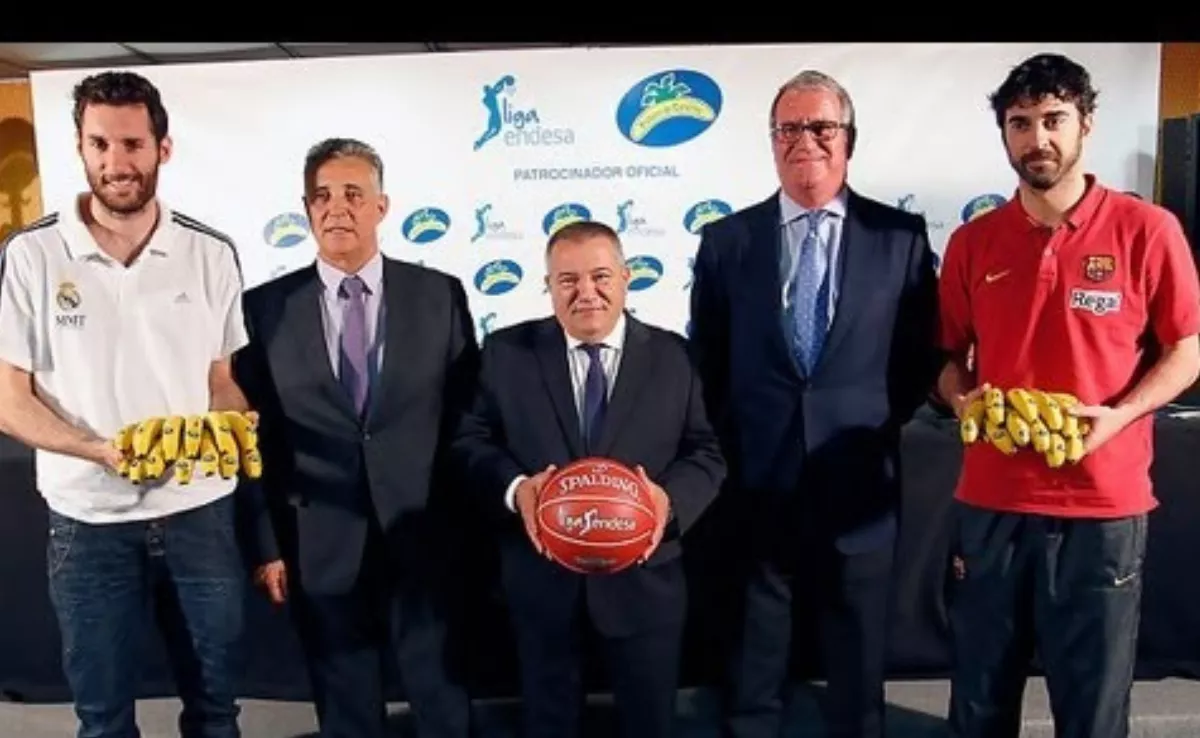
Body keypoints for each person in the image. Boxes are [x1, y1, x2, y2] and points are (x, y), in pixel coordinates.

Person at [937, 53, 1200, 738]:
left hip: (1102, 505)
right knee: (977, 706)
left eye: (1053, 119)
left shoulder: (1149, 231)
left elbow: (1186, 351)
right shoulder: (973, 242)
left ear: (1086, 123)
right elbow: (945, 360)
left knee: (1091, 712)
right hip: (991, 503)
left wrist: (1121, 416)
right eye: (1019, 124)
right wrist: (963, 400)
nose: (1037, 139)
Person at [688, 69, 941, 738]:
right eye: (789, 128)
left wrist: (869, 426)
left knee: (858, 667)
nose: (806, 141)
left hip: (859, 486)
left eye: (821, 127)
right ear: (772, 142)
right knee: (754, 660)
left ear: (848, 139)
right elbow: (706, 361)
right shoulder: (726, 242)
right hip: (755, 484)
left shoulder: (901, 237)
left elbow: (918, 356)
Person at [0, 71, 250, 738]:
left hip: (200, 513)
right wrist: (96, 451)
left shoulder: (211, 252)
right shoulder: (31, 256)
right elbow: (10, 403)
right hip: (87, 520)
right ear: (79, 147)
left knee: (217, 710)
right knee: (103, 717)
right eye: (100, 144)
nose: (117, 163)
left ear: (162, 148)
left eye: (133, 144)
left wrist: (233, 418)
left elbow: (220, 376)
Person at [232, 137, 477, 738]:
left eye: (351, 194)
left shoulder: (439, 295)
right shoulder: (263, 309)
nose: (335, 208)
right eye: (321, 196)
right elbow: (251, 439)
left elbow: (467, 419)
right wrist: (264, 543)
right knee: (345, 709)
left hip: (424, 535)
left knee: (441, 696)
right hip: (318, 541)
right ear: (306, 208)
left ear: (381, 206)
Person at [452, 220, 726, 738]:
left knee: (650, 726)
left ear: (626, 278)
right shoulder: (507, 354)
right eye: (567, 280)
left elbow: (707, 452)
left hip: (646, 587)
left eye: (601, 276)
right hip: (542, 585)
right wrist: (517, 491)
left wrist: (666, 504)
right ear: (549, 286)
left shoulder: (676, 357)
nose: (586, 293)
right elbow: (470, 442)